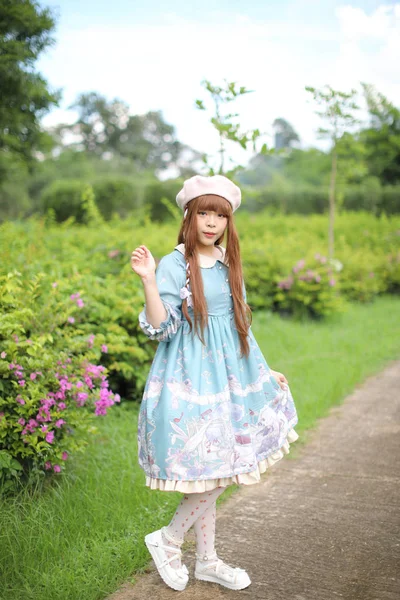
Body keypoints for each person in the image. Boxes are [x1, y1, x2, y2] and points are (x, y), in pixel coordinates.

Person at [131, 174, 299, 592]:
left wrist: (264, 370)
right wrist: (150, 281)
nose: (211, 222)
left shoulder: (227, 262)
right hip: (189, 380)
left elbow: (239, 326)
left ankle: (206, 560)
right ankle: (169, 539)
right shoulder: (175, 264)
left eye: (219, 215)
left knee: (219, 469)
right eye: (203, 212)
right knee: (220, 470)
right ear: (189, 215)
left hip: (230, 378)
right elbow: (161, 327)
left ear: (228, 221)